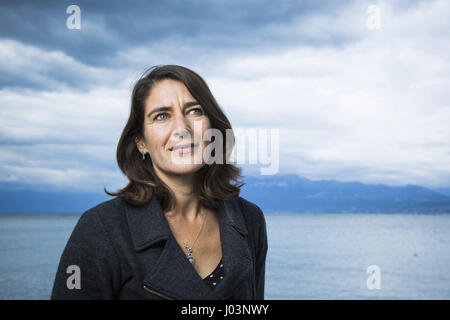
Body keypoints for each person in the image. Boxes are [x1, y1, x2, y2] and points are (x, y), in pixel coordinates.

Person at [51, 65, 268, 300]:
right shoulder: (100, 229)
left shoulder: (249, 219)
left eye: (194, 111)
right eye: (162, 116)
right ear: (141, 142)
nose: (182, 129)